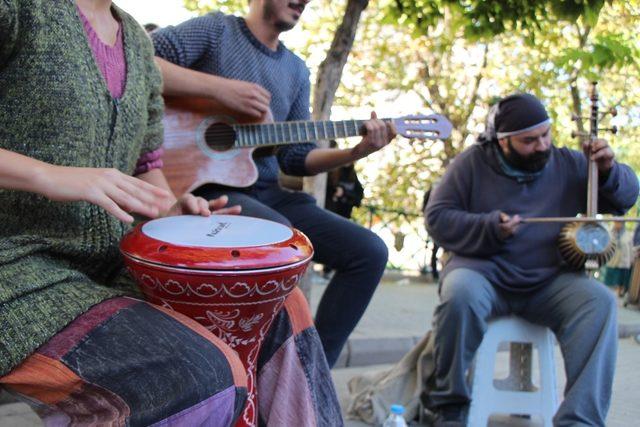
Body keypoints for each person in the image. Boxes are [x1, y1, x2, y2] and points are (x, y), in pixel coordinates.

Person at [0, 1, 341, 425]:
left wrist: (172, 210)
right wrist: (47, 175)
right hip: (17, 268)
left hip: (115, 261)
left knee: (276, 301)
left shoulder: (138, 46)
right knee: (204, 377)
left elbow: (148, 167)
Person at [150, 0, 394, 367]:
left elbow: (298, 158)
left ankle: (310, 377)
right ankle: (243, 369)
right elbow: (137, 61)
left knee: (369, 251)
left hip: (267, 190)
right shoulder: (216, 31)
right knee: (276, 237)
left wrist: (357, 151)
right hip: (206, 188)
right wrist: (220, 90)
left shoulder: (296, 70)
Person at [423, 93, 639, 426]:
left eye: (545, 135)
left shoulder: (568, 162)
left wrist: (608, 169)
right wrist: (489, 226)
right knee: (460, 294)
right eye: (529, 140)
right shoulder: (471, 163)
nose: (541, 145)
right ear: (502, 141)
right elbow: (437, 218)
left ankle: (579, 420)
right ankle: (449, 406)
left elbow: (624, 199)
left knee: (599, 303)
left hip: (551, 279)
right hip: (484, 273)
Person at [602, 222, 635, 296]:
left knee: (620, 280)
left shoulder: (627, 235)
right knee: (609, 281)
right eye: (616, 223)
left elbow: (630, 248)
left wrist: (631, 260)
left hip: (623, 262)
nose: (617, 224)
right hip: (612, 261)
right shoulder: (610, 233)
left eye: (619, 223)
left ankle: (619, 292)